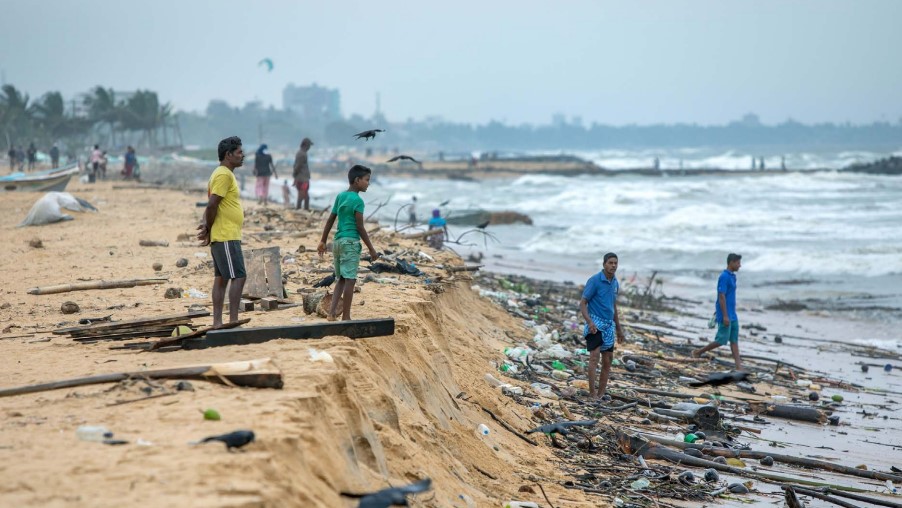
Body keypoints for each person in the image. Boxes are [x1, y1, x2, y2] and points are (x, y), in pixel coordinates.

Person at [317, 164, 379, 321]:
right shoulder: (358, 201)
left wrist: (323, 240)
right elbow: (359, 226)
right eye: (366, 180)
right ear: (357, 180)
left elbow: (331, 219)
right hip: (350, 243)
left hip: (337, 243)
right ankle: (346, 316)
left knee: (341, 280)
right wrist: (371, 249)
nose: (368, 183)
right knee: (350, 280)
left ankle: (331, 314)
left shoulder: (340, 196)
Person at [197, 136, 247, 328]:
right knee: (239, 276)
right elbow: (212, 204)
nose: (243, 156)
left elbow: (212, 204)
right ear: (228, 155)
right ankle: (232, 320)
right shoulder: (224, 174)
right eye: (239, 152)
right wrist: (208, 228)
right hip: (226, 235)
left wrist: (206, 226)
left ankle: (218, 322)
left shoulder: (222, 174)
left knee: (222, 278)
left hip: (225, 234)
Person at [579, 252, 625, 400]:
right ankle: (592, 394)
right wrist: (590, 322)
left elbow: (613, 306)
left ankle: (601, 394)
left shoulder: (615, 283)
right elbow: (583, 303)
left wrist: (619, 329)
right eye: (610, 263)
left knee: (608, 360)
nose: (613, 266)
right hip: (595, 323)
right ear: (604, 264)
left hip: (609, 326)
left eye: (615, 263)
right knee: (594, 358)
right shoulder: (594, 281)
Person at [693, 253, 743, 370]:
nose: (740, 265)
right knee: (721, 340)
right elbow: (721, 296)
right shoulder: (724, 277)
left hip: (733, 314)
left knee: (734, 340)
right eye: (738, 263)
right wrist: (725, 315)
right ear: (731, 262)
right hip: (725, 314)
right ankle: (698, 352)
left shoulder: (732, 276)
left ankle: (739, 367)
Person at [292, 137, 313, 210]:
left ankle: (302, 209)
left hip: (302, 178)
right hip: (302, 178)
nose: (309, 147)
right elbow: (298, 166)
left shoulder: (302, 153)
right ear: (306, 145)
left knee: (305, 196)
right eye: (309, 145)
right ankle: (299, 209)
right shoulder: (301, 154)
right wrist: (295, 176)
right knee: (303, 195)